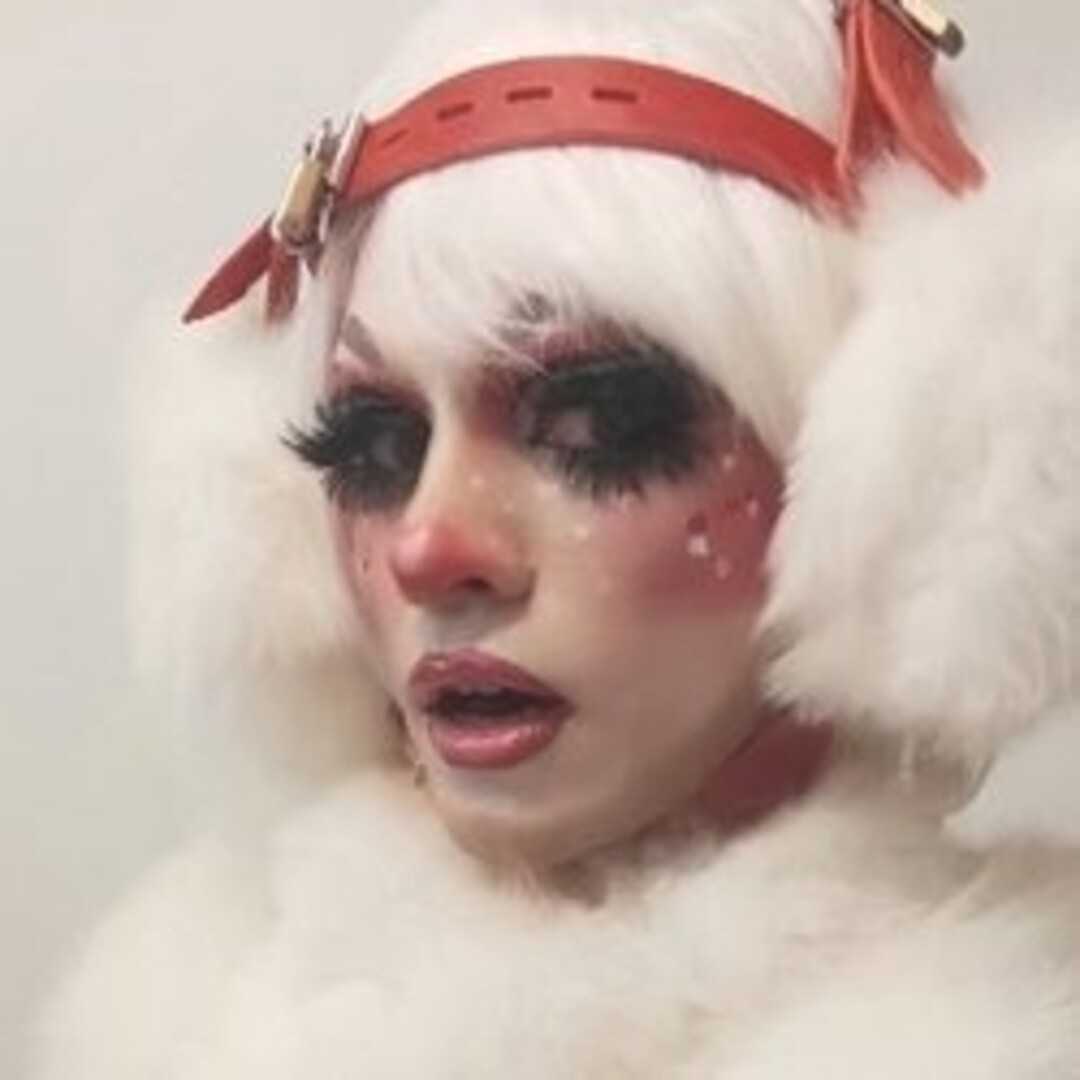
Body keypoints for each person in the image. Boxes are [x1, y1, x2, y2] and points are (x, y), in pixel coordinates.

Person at [33, 0, 1080, 1076]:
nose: (429, 546)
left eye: (593, 427)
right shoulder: (169, 1029)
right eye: (376, 444)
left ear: (890, 486)